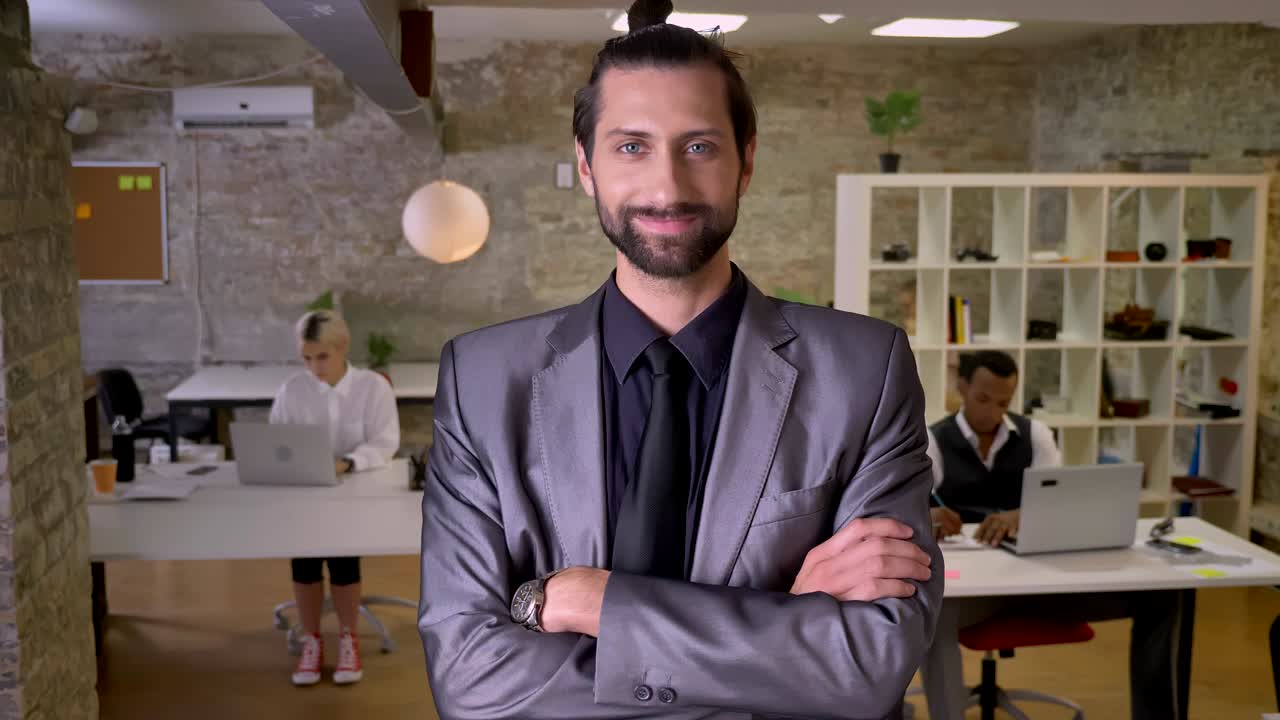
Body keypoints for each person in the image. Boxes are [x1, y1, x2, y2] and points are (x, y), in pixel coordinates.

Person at [417, 2, 943, 718]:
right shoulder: (482, 381)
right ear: (586, 166)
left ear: (745, 161)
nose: (666, 187)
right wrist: (779, 622)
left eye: (699, 146)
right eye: (631, 146)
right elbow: (471, 682)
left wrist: (596, 605)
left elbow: (868, 667)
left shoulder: (865, 371)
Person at [919, 350, 1193, 720]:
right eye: (983, 399)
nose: (994, 412)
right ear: (962, 387)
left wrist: (1022, 514)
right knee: (935, 615)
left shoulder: (1035, 434)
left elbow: (1060, 499)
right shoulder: (935, 440)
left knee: (1162, 599)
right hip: (979, 586)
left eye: (1004, 402)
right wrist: (929, 514)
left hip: (1043, 579)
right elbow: (911, 509)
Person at [269, 309, 400, 687]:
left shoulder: (373, 387)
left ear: (342, 347)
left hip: (354, 496)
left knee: (344, 562)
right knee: (305, 562)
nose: (314, 367)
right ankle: (311, 640)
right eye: (306, 358)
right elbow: (277, 441)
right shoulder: (292, 390)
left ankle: (348, 637)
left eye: (321, 357)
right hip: (304, 495)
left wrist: (348, 463)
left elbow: (385, 443)